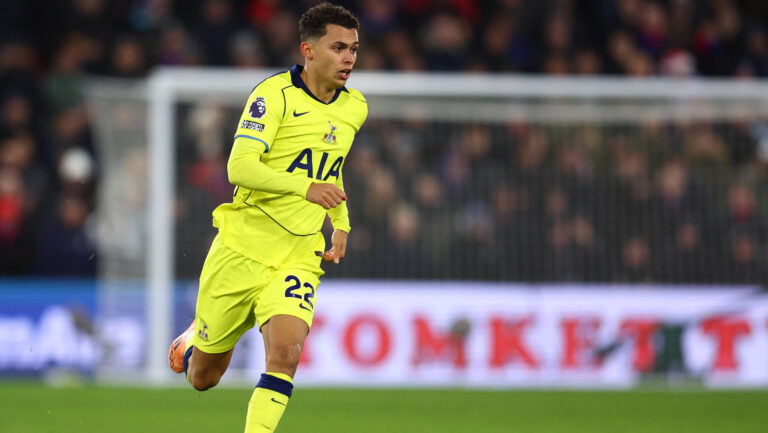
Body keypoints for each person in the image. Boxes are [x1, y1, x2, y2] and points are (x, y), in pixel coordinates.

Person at [167, 4, 366, 432]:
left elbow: (331, 167)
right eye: (338, 47)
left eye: (353, 48)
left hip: (298, 254)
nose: (349, 57)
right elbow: (239, 167)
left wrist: (341, 221)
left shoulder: (355, 108)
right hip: (242, 248)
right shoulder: (272, 95)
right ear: (308, 50)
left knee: (287, 355)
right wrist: (305, 188)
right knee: (204, 378)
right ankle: (194, 341)